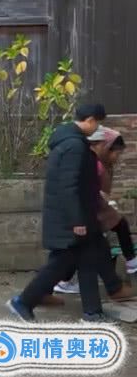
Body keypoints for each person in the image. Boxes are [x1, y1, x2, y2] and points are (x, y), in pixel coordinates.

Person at [7, 103, 114, 322]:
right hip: (70, 219)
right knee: (60, 264)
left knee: (87, 260)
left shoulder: (69, 141)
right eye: (98, 123)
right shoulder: (74, 146)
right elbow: (68, 186)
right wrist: (77, 220)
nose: (98, 129)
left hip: (75, 216)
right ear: (90, 120)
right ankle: (23, 302)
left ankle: (92, 312)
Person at [55, 125, 137, 294]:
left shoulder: (101, 164)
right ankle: (126, 269)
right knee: (116, 228)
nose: (117, 157)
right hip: (89, 210)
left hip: (94, 209)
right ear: (104, 147)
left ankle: (63, 281)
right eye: (116, 153)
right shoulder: (94, 164)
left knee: (82, 248)